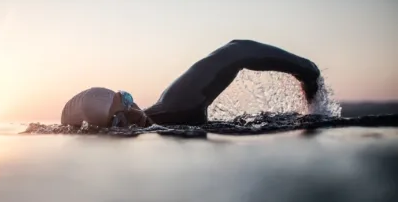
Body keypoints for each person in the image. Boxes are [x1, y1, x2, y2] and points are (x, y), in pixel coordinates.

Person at [60, 39, 321, 127]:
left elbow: (236, 50)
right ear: (110, 131)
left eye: (126, 98)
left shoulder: (177, 105)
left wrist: (307, 72)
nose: (133, 111)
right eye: (120, 119)